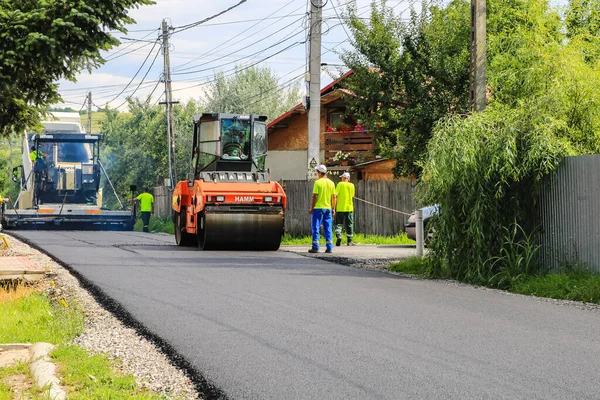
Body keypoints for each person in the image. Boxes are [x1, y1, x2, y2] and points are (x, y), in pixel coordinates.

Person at [308, 164, 336, 253]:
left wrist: (311, 207)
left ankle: (315, 247)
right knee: (328, 228)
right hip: (328, 208)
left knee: (316, 227)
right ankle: (329, 247)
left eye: (317, 172)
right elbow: (334, 197)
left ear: (320, 173)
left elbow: (315, 196)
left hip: (318, 208)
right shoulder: (331, 183)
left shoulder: (317, 182)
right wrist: (333, 208)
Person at [335, 172, 356, 246]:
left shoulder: (340, 184)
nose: (341, 178)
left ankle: (339, 235)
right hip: (349, 208)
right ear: (348, 178)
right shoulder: (352, 185)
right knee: (349, 224)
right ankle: (349, 241)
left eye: (342, 177)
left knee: (339, 223)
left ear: (343, 178)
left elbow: (335, 194)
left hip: (340, 208)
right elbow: (352, 195)